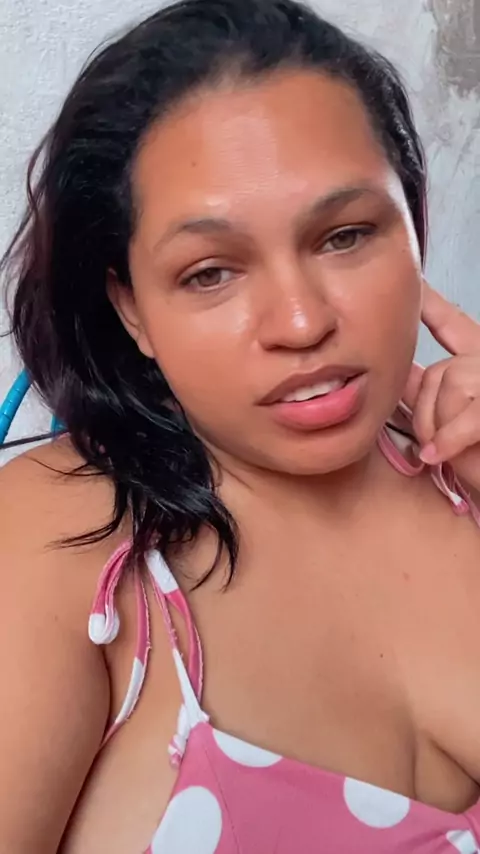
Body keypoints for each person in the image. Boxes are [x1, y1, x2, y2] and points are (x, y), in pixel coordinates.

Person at [1, 0, 480, 850]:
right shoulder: (64, 540)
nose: (301, 321)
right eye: (210, 272)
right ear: (131, 309)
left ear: (416, 225)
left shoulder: (467, 479)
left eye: (344, 236)